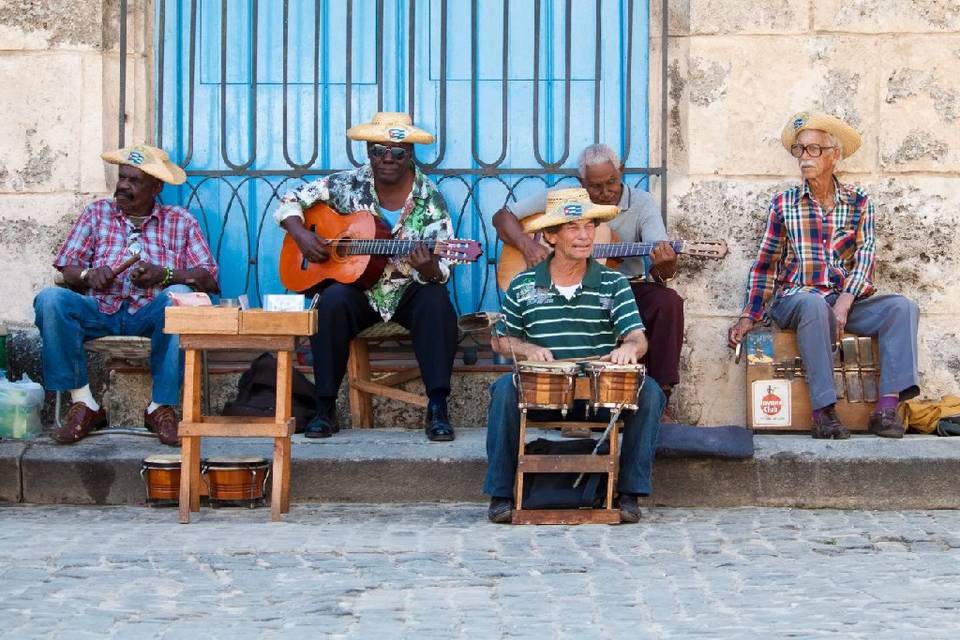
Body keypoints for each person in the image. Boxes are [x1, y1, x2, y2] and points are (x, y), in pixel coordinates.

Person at [728, 111, 920, 439]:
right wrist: (749, 315)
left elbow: (865, 259)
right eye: (800, 150)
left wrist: (845, 300)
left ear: (835, 155)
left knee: (901, 308)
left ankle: (886, 409)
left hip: (843, 299)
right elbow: (765, 266)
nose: (805, 157)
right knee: (814, 305)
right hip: (796, 299)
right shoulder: (784, 204)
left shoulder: (860, 203)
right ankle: (823, 412)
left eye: (814, 149)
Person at [273, 112, 458, 441]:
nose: (387, 159)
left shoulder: (431, 200)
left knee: (436, 301)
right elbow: (290, 200)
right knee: (330, 303)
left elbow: (442, 271)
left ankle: (438, 406)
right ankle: (325, 408)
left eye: (397, 151)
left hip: (405, 289)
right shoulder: (345, 184)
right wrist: (301, 235)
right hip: (358, 289)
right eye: (377, 150)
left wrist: (428, 266)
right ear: (368, 151)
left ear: (410, 154)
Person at [485, 188, 665, 524]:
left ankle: (629, 494)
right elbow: (499, 341)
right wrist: (527, 349)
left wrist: (629, 348)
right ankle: (500, 495)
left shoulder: (613, 283)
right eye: (572, 227)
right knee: (503, 391)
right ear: (550, 236)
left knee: (650, 391)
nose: (584, 236)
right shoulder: (523, 284)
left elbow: (638, 338)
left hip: (599, 392)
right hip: (543, 390)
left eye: (589, 226)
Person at [34, 144, 219, 446]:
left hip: (149, 316)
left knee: (179, 297)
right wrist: (88, 275)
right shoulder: (97, 213)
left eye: (134, 181)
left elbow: (208, 278)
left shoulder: (180, 220)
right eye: (122, 178)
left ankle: (160, 408)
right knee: (50, 300)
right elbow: (67, 266)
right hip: (99, 310)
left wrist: (165, 275)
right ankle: (84, 403)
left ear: (156, 187)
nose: (123, 185)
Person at [492, 144, 684, 414]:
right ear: (582, 183)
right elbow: (502, 217)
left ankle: (659, 399)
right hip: (568, 286)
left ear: (622, 172)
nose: (606, 192)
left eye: (612, 182)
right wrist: (528, 246)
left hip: (623, 286)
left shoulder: (641, 203)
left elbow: (659, 266)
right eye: (596, 187)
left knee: (668, 303)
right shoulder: (564, 199)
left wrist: (666, 264)